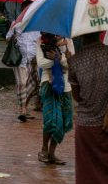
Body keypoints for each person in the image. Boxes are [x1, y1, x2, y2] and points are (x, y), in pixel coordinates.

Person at [69, 33, 108, 184]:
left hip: (85, 126)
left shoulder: (74, 60)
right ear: (102, 30)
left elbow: (77, 96)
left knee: (86, 176)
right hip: (107, 125)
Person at [35, 33, 73, 166]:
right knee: (51, 119)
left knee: (63, 121)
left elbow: (71, 64)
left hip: (65, 85)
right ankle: (44, 149)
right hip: (48, 83)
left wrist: (59, 58)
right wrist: (59, 60)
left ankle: (52, 152)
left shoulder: (68, 41)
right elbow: (42, 63)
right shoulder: (41, 41)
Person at [7, 18, 41, 122]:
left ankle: (25, 106)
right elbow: (7, 38)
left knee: (35, 84)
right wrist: (13, 36)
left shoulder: (38, 25)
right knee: (21, 83)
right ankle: (22, 109)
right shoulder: (16, 24)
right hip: (19, 60)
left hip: (34, 60)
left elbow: (40, 41)